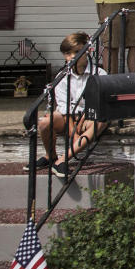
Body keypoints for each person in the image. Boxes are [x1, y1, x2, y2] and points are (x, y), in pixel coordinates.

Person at [32, 33, 107, 177]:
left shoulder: (99, 74)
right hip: (68, 117)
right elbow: (65, 108)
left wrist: (84, 118)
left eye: (77, 52)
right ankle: (50, 156)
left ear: (87, 52)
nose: (72, 57)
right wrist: (74, 135)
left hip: (89, 116)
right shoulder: (62, 77)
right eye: (67, 53)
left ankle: (62, 160)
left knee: (101, 121)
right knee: (44, 122)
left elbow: (100, 103)